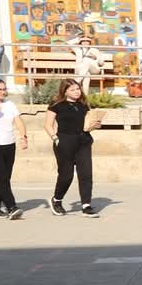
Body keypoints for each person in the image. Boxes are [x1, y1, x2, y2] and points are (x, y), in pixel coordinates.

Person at [43, 78, 101, 217]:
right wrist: (55, 139)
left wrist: (94, 126)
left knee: (86, 174)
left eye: (78, 89)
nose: (77, 92)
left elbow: (86, 125)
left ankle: (86, 205)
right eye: (72, 89)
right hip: (65, 142)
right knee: (66, 175)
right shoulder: (57, 104)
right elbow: (48, 124)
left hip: (84, 142)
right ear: (65, 91)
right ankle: (57, 200)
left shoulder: (83, 104)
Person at [0, 79, 24, 219]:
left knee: (5, 177)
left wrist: (23, 137)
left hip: (9, 145)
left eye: (4, 88)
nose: (3, 91)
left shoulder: (10, 104)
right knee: (1, 178)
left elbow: (18, 121)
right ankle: (12, 207)